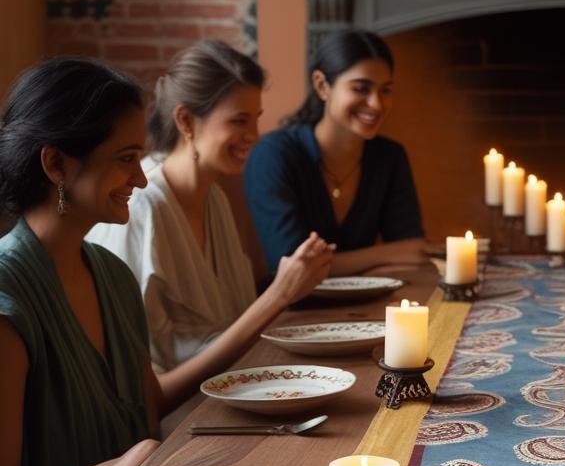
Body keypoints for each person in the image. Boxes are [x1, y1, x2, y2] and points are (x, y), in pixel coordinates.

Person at [0, 59, 161, 466]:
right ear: (56, 164)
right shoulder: (7, 301)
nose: (140, 179)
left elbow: (149, 417)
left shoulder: (113, 276)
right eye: (125, 159)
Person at [88, 41, 333, 379]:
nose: (253, 136)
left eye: (256, 120)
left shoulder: (213, 197)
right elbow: (134, 381)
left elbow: (234, 333)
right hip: (172, 414)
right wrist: (278, 295)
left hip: (234, 384)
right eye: (239, 121)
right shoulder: (140, 207)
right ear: (186, 121)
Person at [244, 30, 426, 276]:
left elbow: (414, 253)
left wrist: (327, 264)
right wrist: (387, 254)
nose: (377, 104)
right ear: (321, 85)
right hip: (293, 310)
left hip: (370, 302)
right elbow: (289, 268)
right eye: (361, 88)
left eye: (385, 90)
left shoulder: (390, 156)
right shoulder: (274, 155)